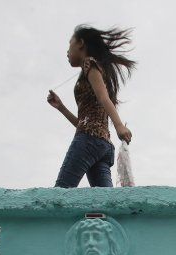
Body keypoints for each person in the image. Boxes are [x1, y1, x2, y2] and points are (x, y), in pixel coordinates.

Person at [47, 25, 135, 188]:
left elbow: (103, 98)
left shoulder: (89, 63)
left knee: (61, 192)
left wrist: (119, 125)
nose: (67, 51)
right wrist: (61, 107)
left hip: (88, 141)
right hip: (102, 146)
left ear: (80, 43)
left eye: (69, 44)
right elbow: (85, 122)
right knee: (105, 201)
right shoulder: (95, 69)